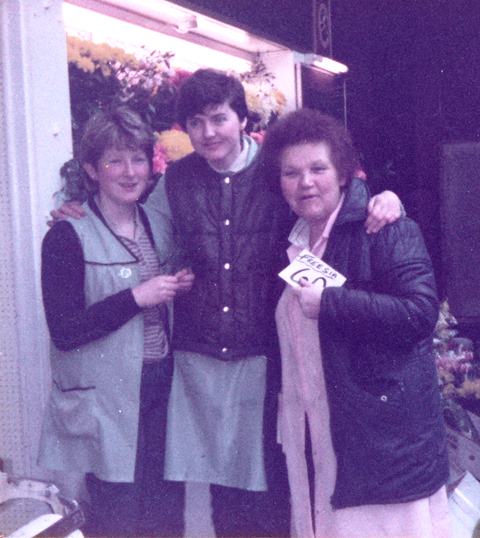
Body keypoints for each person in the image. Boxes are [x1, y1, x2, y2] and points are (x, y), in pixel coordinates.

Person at [52, 69, 404, 537]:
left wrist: (376, 197)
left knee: (273, 489)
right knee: (223, 496)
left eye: (219, 118)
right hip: (200, 361)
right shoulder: (176, 180)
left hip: (268, 355)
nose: (208, 133)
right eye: (195, 123)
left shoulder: (275, 166)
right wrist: (78, 206)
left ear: (242, 119)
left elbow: (325, 190)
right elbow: (133, 217)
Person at [262, 108, 451, 538]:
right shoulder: (290, 241)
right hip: (314, 436)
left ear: (344, 173)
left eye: (317, 168)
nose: (305, 182)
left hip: (375, 445)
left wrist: (333, 302)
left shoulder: (384, 230)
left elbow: (419, 314)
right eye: (291, 173)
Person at [38, 106, 193, 536]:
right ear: (91, 169)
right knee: (118, 517)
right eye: (114, 161)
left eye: (138, 159)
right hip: (108, 404)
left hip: (161, 388)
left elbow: (177, 279)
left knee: (165, 516)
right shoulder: (66, 235)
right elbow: (65, 332)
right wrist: (136, 298)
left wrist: (182, 281)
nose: (129, 172)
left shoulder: (160, 226)